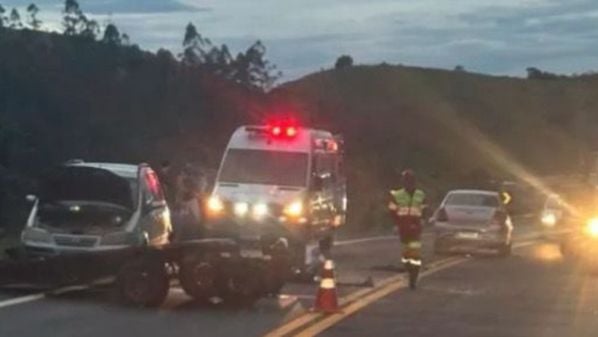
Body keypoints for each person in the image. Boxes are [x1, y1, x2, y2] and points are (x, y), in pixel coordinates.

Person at [388, 169, 428, 290]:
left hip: (416, 228)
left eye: (410, 181)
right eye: (406, 181)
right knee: (406, 254)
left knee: (414, 254)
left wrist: (423, 219)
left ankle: (413, 278)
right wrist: (395, 224)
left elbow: (425, 209)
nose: (408, 183)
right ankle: (408, 267)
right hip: (403, 227)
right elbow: (392, 211)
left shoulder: (420, 195)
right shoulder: (397, 195)